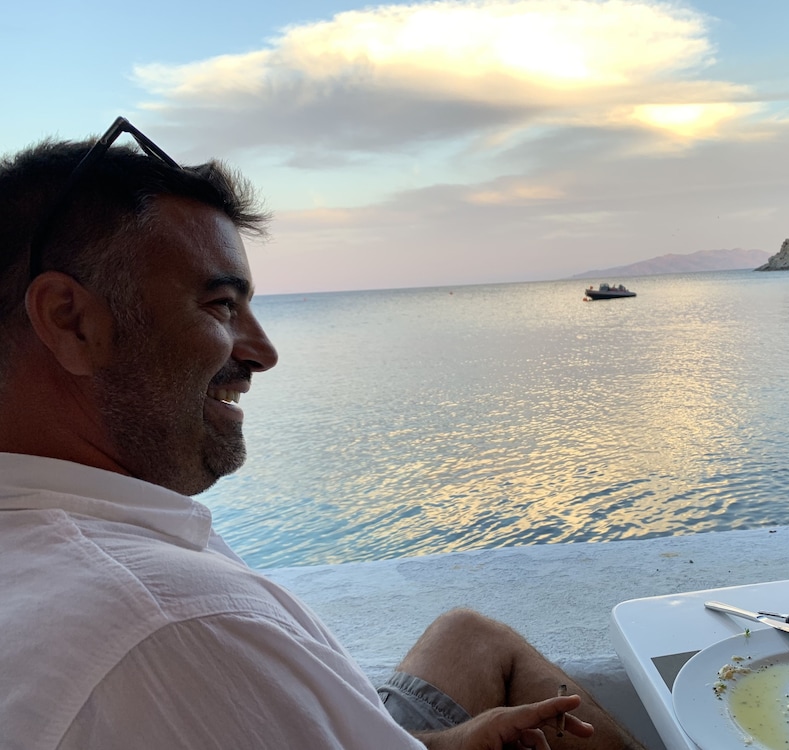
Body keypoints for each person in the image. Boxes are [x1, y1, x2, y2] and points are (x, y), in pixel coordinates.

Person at [0, 119, 646, 750]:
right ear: (71, 321)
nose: (263, 352)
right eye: (221, 305)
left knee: (469, 635)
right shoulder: (176, 626)